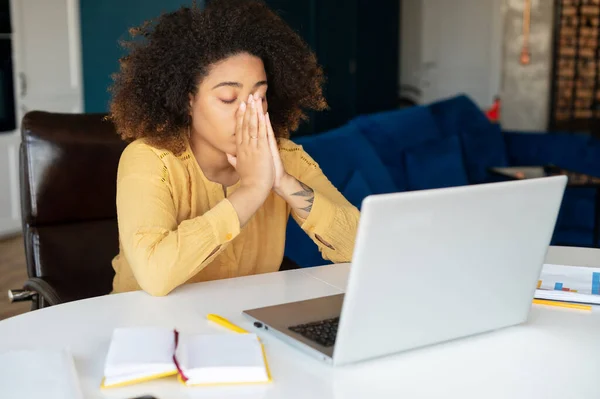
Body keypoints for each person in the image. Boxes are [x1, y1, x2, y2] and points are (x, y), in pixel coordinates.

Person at [109, 0, 360, 296]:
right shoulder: (150, 159)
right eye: (229, 98)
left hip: (244, 325)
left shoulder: (283, 157)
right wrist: (253, 190)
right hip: (152, 330)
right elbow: (155, 275)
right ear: (188, 100)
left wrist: (284, 183)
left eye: (260, 97)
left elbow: (362, 247)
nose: (249, 113)